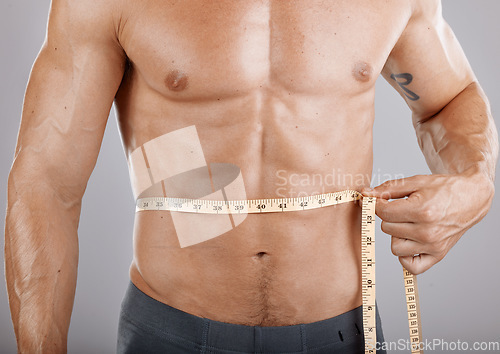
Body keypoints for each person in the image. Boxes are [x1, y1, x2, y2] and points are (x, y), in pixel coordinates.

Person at [5, 0, 498, 353]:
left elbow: (449, 100)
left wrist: (477, 180)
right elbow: (46, 182)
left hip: (342, 334)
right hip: (171, 331)